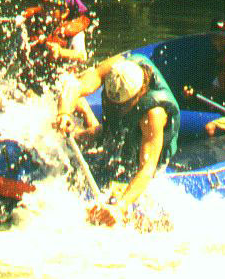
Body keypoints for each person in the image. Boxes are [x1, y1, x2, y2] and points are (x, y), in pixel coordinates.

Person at [54, 53, 180, 227]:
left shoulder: (154, 114)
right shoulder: (117, 67)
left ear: (139, 94)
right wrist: (63, 113)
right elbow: (75, 84)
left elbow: (147, 168)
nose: (115, 108)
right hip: (119, 127)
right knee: (83, 138)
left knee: (131, 170)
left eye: (120, 106)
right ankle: (93, 126)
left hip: (150, 146)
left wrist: (120, 206)